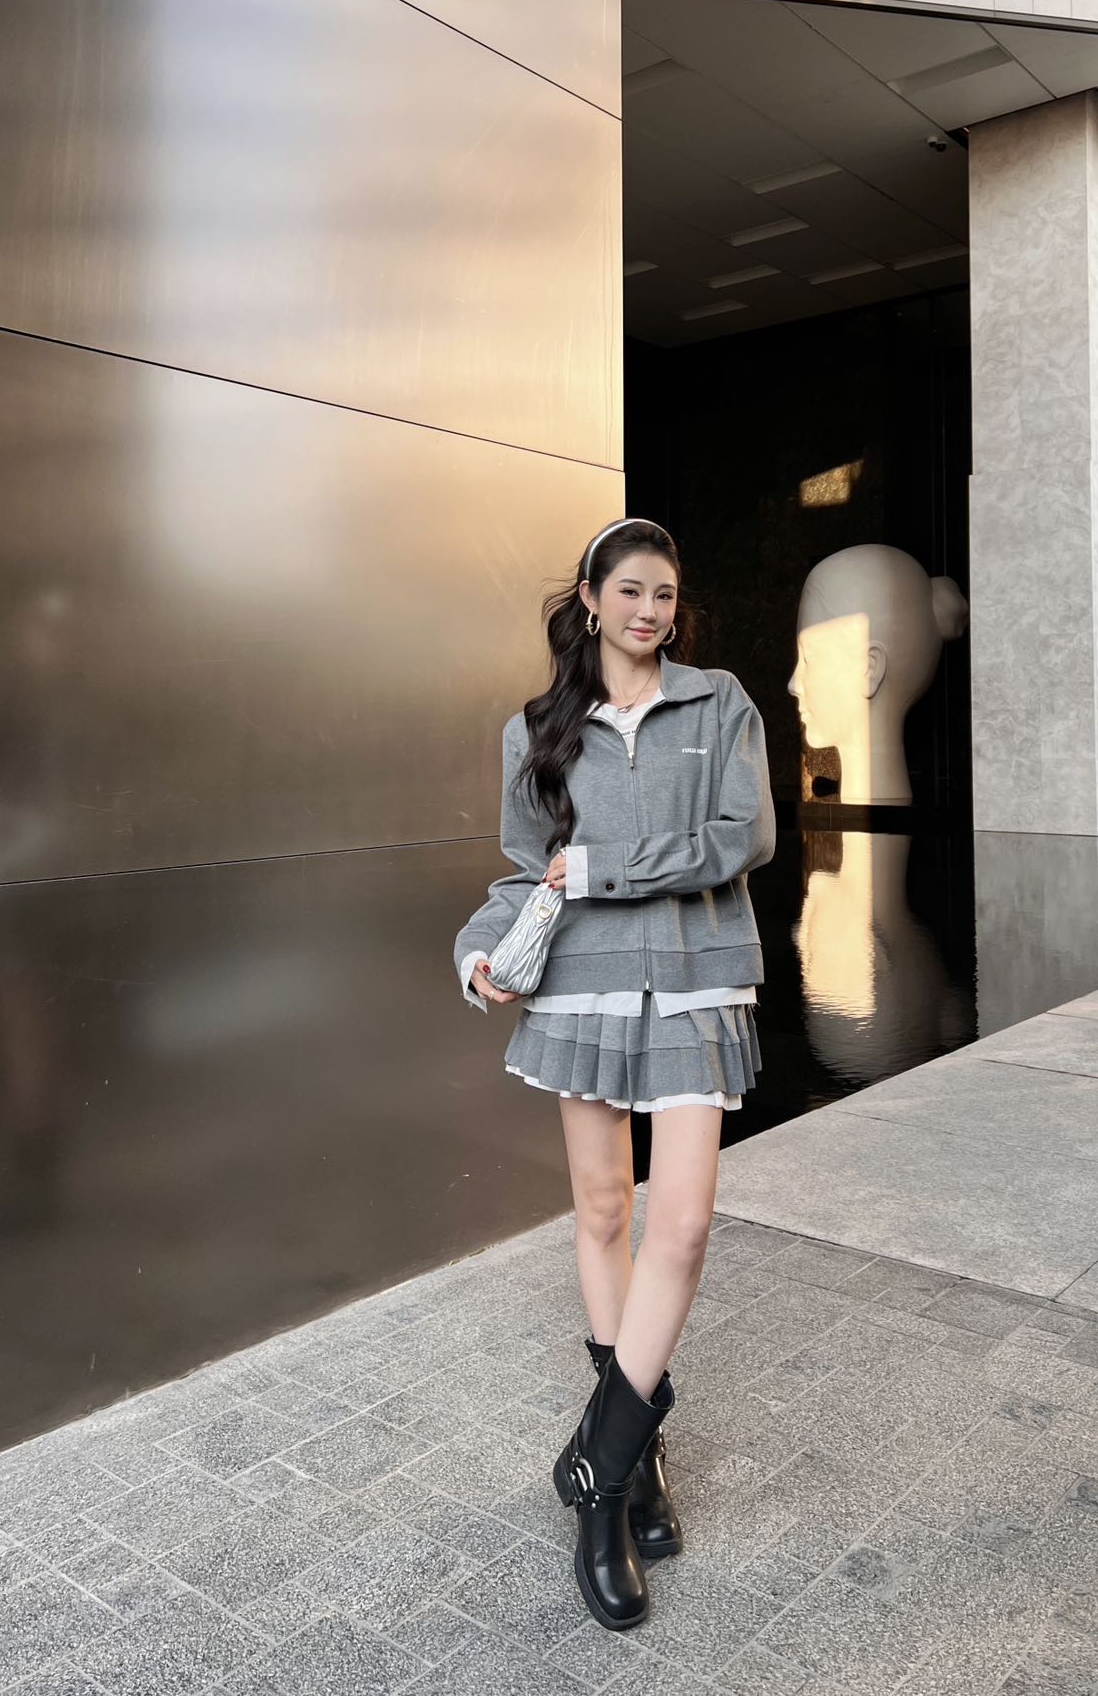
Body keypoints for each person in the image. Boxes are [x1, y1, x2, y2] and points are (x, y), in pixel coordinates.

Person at [452, 516, 776, 1631]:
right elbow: (523, 875)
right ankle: (637, 1462)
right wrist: (476, 954)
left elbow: (740, 839)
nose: (649, 610)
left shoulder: (718, 704)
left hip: (695, 977)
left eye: (664, 594)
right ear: (589, 598)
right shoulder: (536, 728)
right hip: (582, 985)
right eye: (629, 590)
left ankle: (594, 1474)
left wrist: (601, 867)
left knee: (678, 1224)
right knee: (601, 1210)